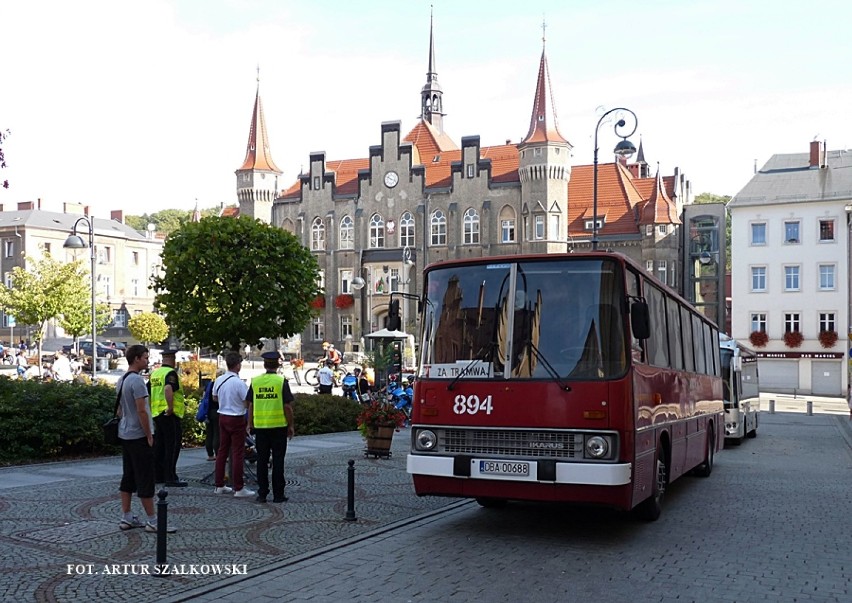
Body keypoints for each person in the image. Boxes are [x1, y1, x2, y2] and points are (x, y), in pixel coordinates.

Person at [116, 344, 175, 534]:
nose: (147, 360)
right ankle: (153, 520)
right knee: (145, 477)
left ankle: (126, 516)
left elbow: (119, 410)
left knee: (129, 475)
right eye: (145, 357)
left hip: (125, 433)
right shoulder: (137, 382)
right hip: (139, 435)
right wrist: (149, 434)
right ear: (136, 359)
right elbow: (141, 410)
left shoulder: (121, 379)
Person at [247, 351, 295, 503]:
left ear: (264, 364)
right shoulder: (281, 381)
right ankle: (278, 494)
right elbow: (287, 407)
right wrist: (291, 425)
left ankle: (262, 493)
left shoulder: (255, 381)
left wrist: (250, 423)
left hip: (261, 428)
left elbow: (250, 405)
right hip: (279, 427)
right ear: (278, 364)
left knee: (262, 461)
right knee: (278, 461)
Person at [212, 352, 255, 498]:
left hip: (222, 416)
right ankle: (239, 487)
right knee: (237, 453)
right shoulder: (239, 383)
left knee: (222, 451)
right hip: (236, 418)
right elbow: (247, 402)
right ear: (238, 365)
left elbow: (214, 397)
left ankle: (219, 484)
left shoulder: (219, 380)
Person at [148, 349, 186, 488]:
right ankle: (170, 476)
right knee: (172, 446)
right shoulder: (170, 373)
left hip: (157, 413)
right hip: (170, 414)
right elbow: (168, 389)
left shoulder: (155, 373)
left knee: (160, 445)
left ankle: (158, 475)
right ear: (172, 359)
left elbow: (149, 392)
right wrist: (170, 407)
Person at [204, 369, 225, 461]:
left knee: (209, 432)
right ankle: (218, 454)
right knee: (217, 432)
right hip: (217, 410)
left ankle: (210, 454)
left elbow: (204, 397)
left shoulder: (210, 384)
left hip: (208, 411)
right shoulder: (221, 384)